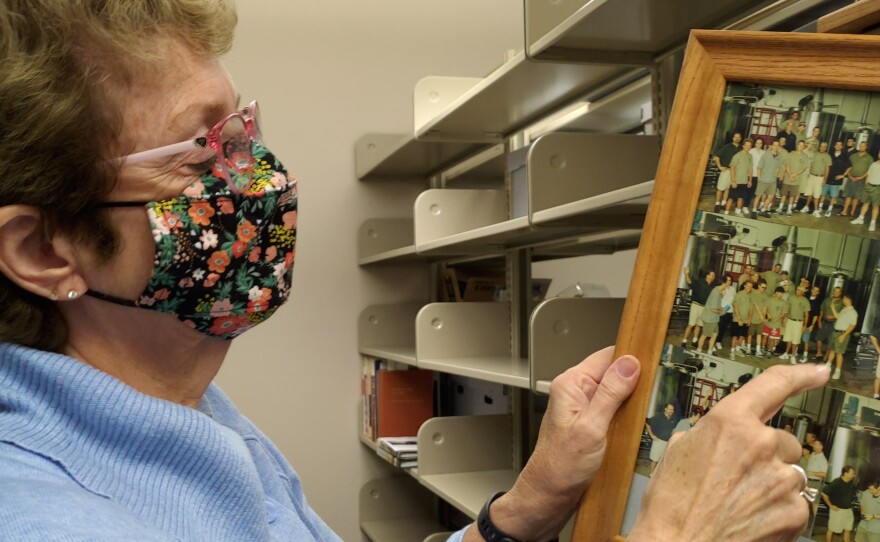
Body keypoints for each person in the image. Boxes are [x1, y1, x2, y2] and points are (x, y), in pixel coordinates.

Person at [0, 3, 833, 541]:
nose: (257, 176)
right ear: (44, 252)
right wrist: (676, 533)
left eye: (243, 131)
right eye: (202, 150)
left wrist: (522, 511)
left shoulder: (178, 412)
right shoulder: (45, 517)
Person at [825, 295, 859, 380]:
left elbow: (853, 325)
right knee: (832, 350)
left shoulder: (852, 312)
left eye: (844, 299)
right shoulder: (844, 309)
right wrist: (833, 308)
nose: (842, 300)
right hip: (835, 332)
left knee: (839, 353)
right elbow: (838, 317)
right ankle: (827, 366)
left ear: (848, 299)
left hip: (842, 334)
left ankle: (838, 371)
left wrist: (844, 336)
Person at [822, 466, 858, 542]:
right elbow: (824, 494)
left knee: (848, 530)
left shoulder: (851, 483)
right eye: (852, 473)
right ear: (846, 473)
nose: (854, 475)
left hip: (848, 510)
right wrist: (830, 505)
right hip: (838, 511)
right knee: (832, 529)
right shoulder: (836, 482)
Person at [682, 267, 714, 348]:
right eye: (712, 275)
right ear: (707, 275)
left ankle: (694, 341)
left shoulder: (712, 286)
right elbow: (689, 283)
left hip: (704, 308)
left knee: (699, 325)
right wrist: (686, 274)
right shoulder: (700, 281)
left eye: (714, 276)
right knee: (691, 324)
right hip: (696, 305)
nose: (713, 277)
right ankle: (684, 341)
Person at [850, 149, 880, 232]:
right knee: (865, 203)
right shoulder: (874, 164)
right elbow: (868, 174)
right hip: (869, 186)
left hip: (878, 188)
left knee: (875, 206)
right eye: (879, 152)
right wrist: (866, 184)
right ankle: (860, 218)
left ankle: (873, 222)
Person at [819, 141, 850, 217]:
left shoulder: (845, 156)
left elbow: (850, 167)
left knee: (833, 196)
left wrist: (843, 175)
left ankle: (829, 210)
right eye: (837, 144)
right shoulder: (830, 155)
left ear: (842, 146)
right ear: (834, 146)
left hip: (837, 179)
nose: (838, 146)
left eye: (840, 145)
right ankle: (819, 208)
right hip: (828, 178)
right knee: (823, 194)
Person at [697, 279, 729, 354]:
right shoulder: (716, 292)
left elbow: (717, 305)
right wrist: (722, 312)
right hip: (710, 318)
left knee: (715, 334)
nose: (728, 285)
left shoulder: (717, 291)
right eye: (727, 283)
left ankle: (710, 351)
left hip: (714, 319)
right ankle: (698, 351)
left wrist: (722, 309)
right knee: (704, 335)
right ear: (723, 283)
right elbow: (713, 310)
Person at [713, 132, 742, 211]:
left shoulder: (741, 149)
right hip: (726, 170)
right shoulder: (727, 147)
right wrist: (720, 167)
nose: (737, 138)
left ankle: (723, 203)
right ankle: (717, 204)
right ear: (732, 138)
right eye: (735, 137)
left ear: (740, 138)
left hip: (734, 172)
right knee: (720, 188)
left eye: (738, 137)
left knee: (728, 188)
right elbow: (717, 157)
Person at [756, 140, 786, 216]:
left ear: (779, 147)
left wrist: (777, 175)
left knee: (771, 196)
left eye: (777, 145)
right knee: (759, 195)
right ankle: (754, 210)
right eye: (774, 145)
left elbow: (779, 167)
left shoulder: (780, 156)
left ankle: (763, 210)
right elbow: (759, 167)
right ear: (772, 146)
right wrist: (759, 177)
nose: (775, 147)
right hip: (763, 179)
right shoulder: (766, 154)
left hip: (772, 180)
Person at [780, 286, 810, 363]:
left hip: (798, 322)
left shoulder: (805, 301)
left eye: (799, 290)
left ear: (803, 292)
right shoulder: (791, 298)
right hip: (790, 320)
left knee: (795, 340)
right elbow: (787, 309)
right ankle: (786, 353)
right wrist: (784, 319)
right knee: (788, 338)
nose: (797, 291)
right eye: (797, 289)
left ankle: (793, 356)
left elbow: (806, 314)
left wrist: (805, 325)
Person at [842, 142, 872, 218]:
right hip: (851, 178)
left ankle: (852, 212)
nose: (861, 147)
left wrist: (861, 177)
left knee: (856, 197)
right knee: (848, 195)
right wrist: (849, 175)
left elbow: (869, 170)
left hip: (860, 180)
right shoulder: (853, 156)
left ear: (866, 147)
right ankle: (844, 211)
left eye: (863, 146)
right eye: (860, 146)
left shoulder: (869, 158)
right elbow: (848, 167)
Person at [645, 402, 678, 473]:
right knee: (655, 459)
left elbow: (673, 429)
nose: (671, 411)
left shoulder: (674, 418)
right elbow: (647, 423)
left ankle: (657, 475)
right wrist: (651, 435)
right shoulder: (658, 416)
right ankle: (651, 474)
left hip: (668, 442)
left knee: (663, 461)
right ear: (665, 409)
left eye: (672, 410)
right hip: (658, 441)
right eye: (670, 409)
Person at [780, 140, 809, 215]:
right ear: (797, 145)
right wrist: (790, 174)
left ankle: (789, 210)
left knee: (792, 195)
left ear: (804, 147)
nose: (801, 146)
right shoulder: (791, 153)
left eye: (803, 145)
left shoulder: (805, 157)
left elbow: (803, 168)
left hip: (796, 179)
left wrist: (794, 175)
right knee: (784, 194)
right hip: (787, 177)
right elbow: (787, 164)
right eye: (800, 145)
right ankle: (780, 208)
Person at [726, 138, 754, 216]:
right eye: (746, 145)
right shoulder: (737, 155)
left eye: (750, 146)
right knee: (731, 198)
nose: (748, 147)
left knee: (741, 197)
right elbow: (732, 167)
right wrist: (733, 180)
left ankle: (738, 212)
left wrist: (750, 180)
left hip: (744, 181)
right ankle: (726, 213)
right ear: (743, 146)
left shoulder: (750, 156)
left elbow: (750, 169)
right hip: (736, 181)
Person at [804, 141, 832, 215]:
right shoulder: (815, 154)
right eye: (821, 146)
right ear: (819, 147)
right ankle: (806, 206)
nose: (822, 148)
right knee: (809, 192)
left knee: (817, 195)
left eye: (824, 146)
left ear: (826, 148)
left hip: (820, 178)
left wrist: (825, 180)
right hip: (812, 176)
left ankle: (816, 210)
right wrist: (809, 172)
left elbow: (827, 169)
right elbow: (811, 164)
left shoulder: (827, 156)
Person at [817, 287, 844, 361]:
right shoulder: (827, 300)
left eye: (838, 292)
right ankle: (819, 353)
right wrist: (819, 321)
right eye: (835, 291)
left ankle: (826, 357)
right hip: (824, 322)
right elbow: (821, 311)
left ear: (840, 293)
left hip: (834, 324)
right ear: (833, 292)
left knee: (830, 342)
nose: (836, 293)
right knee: (819, 338)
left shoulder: (842, 303)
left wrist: (833, 317)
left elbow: (842, 314)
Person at [764, 286, 789, 357]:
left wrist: (776, 319)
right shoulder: (769, 300)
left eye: (782, 293)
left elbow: (784, 314)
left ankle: (769, 351)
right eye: (780, 293)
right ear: (776, 293)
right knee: (767, 337)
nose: (781, 295)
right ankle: (767, 349)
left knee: (773, 338)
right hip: (769, 322)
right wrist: (767, 313)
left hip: (777, 324)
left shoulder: (784, 303)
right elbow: (765, 308)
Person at [802, 285, 823, 363]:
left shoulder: (817, 302)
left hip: (809, 323)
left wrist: (812, 325)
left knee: (806, 340)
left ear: (818, 293)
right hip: (800, 321)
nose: (814, 292)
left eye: (816, 291)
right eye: (813, 290)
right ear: (811, 290)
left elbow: (816, 315)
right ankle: (794, 353)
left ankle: (805, 355)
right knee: (797, 338)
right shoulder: (805, 298)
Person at [749, 280, 769, 355]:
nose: (764, 289)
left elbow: (765, 306)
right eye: (762, 287)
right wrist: (761, 316)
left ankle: (758, 350)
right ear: (758, 286)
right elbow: (755, 305)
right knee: (750, 334)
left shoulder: (765, 295)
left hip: (760, 319)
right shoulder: (754, 293)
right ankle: (748, 348)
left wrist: (763, 317)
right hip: (753, 316)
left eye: (765, 288)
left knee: (759, 334)